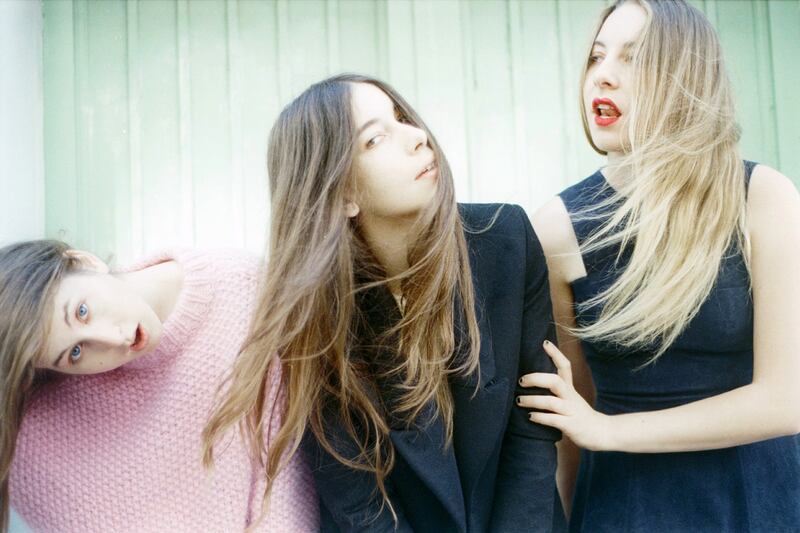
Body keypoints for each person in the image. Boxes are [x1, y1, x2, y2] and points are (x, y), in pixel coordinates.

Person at [202, 73, 565, 532]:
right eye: (376, 138)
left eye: (402, 118)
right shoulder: (316, 316)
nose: (417, 137)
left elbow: (532, 429)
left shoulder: (506, 240)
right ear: (342, 194)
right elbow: (359, 505)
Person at [518, 1, 800, 531]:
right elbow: (572, 409)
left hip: (759, 503)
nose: (603, 75)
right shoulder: (557, 226)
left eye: (633, 58)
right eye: (596, 57)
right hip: (625, 509)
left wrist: (608, 431)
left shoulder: (761, 197)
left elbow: (785, 400)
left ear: (687, 76)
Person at [0, 241, 318, 532]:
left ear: (83, 261)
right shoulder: (33, 434)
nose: (113, 339)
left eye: (82, 312)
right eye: (75, 353)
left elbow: (283, 492)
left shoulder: (243, 291)